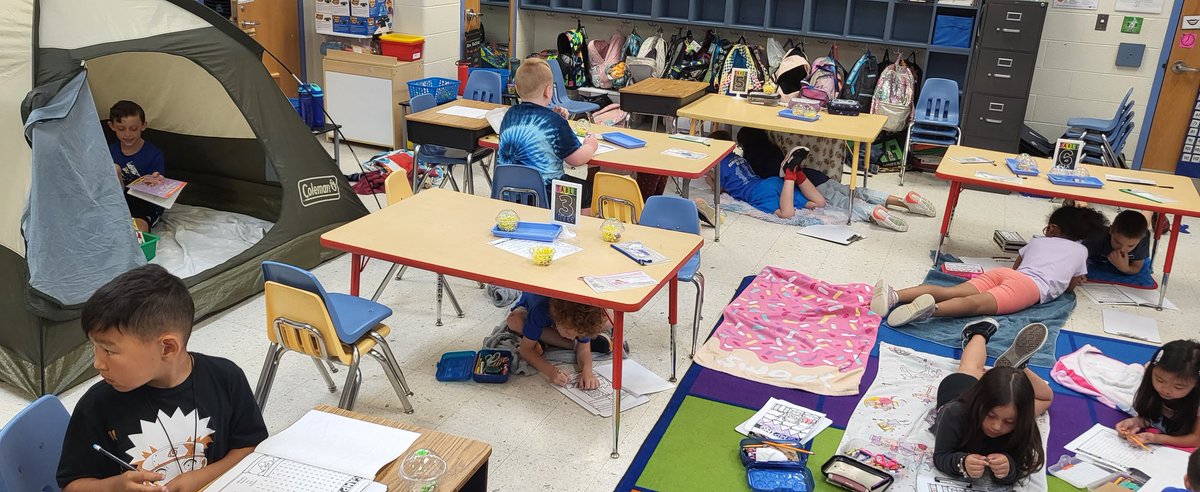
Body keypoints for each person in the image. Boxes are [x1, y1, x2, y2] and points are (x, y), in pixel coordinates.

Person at [58, 265, 267, 492]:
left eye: (109, 350)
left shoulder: (225, 378)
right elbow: (72, 484)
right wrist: (114, 487)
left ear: (167, 348)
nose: (97, 363)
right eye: (94, 347)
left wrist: (203, 477)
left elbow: (252, 446)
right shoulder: (96, 406)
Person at [876, 205, 1106, 326]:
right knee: (975, 305)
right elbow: (1068, 287)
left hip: (1004, 274)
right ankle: (930, 311)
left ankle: (894, 296)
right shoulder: (1081, 251)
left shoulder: (1038, 241)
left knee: (951, 291)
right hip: (1029, 287)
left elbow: (1016, 268)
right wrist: (1076, 280)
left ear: (1053, 229)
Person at [700, 130, 934, 231]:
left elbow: (722, 188)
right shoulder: (759, 154)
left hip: (785, 184)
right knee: (848, 190)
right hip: (810, 176)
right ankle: (901, 200)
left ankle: (872, 212)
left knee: (841, 202)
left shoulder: (746, 159)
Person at [931, 320, 1052, 486]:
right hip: (957, 390)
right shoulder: (955, 413)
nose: (996, 426)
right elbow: (941, 456)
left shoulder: (1021, 420)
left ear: (1020, 418)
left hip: (995, 397)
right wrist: (962, 463)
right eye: (990, 415)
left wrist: (1009, 468)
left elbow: (1022, 463)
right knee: (970, 368)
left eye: (1009, 421)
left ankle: (1019, 369)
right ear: (980, 405)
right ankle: (980, 332)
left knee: (1046, 399)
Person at [497, 57, 598, 213]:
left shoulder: (509, 115)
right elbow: (576, 160)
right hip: (548, 192)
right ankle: (579, 227)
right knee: (590, 192)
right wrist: (590, 146)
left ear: (517, 88)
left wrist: (557, 118)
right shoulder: (554, 122)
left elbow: (535, 128)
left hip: (508, 190)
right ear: (548, 91)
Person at [505, 293, 613, 389]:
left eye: (577, 335)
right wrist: (551, 372)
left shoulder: (580, 320)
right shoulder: (540, 310)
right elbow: (525, 349)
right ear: (557, 319)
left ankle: (542, 340)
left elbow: (584, 350)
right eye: (568, 332)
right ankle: (571, 344)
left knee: (611, 319)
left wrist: (587, 371)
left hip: (556, 323)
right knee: (514, 321)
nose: (572, 337)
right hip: (530, 311)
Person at [1115, 340, 1200, 448]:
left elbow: (1196, 439)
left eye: (1178, 387)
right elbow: (1152, 417)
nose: (1166, 390)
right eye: (1160, 380)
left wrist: (1156, 438)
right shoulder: (1152, 381)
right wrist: (1136, 422)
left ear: (1196, 384)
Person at [108, 100, 166, 232]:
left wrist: (157, 179)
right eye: (121, 129)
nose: (128, 134)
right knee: (114, 168)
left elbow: (159, 180)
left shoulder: (153, 154)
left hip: (144, 203)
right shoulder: (109, 151)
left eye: (133, 129)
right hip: (116, 202)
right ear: (112, 126)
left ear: (143, 126)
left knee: (139, 229)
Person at [1085, 209, 1151, 275]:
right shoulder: (1097, 237)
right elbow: (1081, 258)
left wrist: (1126, 269)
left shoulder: (1142, 238)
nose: (1122, 249)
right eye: (1117, 242)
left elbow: (1137, 267)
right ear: (1111, 230)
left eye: (1131, 246)